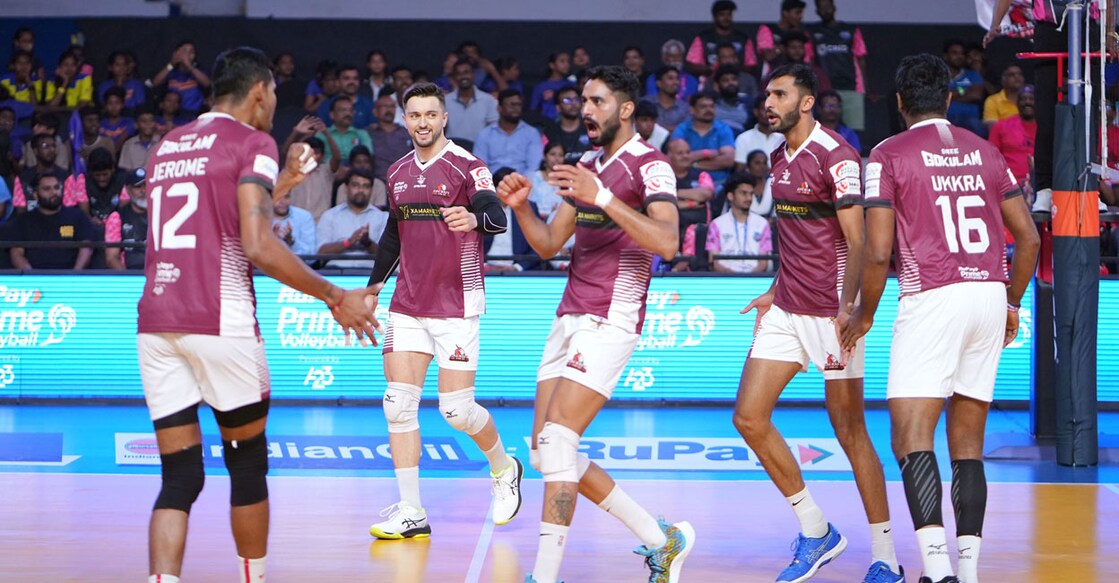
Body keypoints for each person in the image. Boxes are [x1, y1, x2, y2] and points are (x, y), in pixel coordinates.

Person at [136, 46, 377, 583]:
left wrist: (283, 184)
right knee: (246, 463)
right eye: (273, 93)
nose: (275, 104)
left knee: (179, 475)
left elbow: (215, 214)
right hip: (218, 317)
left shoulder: (167, 146)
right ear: (258, 91)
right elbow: (256, 243)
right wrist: (336, 297)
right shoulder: (253, 141)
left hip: (156, 319)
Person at [840, 54, 1040, 583]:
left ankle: (935, 568)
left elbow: (879, 251)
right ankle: (968, 573)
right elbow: (1031, 239)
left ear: (900, 104)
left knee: (911, 436)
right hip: (989, 294)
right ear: (950, 100)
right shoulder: (987, 150)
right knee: (968, 445)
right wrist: (1013, 304)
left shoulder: (886, 154)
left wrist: (863, 313)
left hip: (932, 295)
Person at [496, 65, 694, 583]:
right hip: (569, 314)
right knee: (543, 453)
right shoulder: (585, 162)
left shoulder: (651, 167)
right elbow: (546, 244)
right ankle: (660, 540)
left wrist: (602, 195)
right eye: (583, 100)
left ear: (626, 110)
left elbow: (668, 243)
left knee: (559, 443)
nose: (585, 110)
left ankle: (543, 576)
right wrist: (520, 208)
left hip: (613, 315)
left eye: (598, 101)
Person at [731, 64, 904, 583]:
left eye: (779, 94)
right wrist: (774, 288)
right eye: (767, 93)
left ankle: (885, 557)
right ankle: (815, 529)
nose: (769, 101)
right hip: (786, 308)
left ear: (806, 103)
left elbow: (861, 242)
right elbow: (798, 237)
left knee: (850, 431)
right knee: (748, 418)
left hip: (833, 312)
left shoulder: (838, 157)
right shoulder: (780, 157)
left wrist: (851, 307)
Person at [363, 81, 522, 540]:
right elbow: (394, 234)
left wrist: (474, 219)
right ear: (404, 119)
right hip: (407, 304)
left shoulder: (467, 166)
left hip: (456, 302)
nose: (422, 123)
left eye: (430, 114)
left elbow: (496, 214)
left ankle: (503, 467)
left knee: (456, 411)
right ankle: (412, 510)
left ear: (444, 118)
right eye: (414, 115)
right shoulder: (395, 172)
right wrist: (374, 287)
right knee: (397, 405)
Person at [6, 173, 95, 270]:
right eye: (47, 189)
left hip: (70, 277)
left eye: (56, 187)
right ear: (35, 195)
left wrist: (74, 275)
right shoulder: (23, 221)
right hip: (35, 279)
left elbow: (86, 247)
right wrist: (32, 277)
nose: (54, 192)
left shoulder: (78, 216)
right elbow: (16, 254)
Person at [315, 167, 388, 269]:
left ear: (371, 190)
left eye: (366, 186)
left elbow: (388, 256)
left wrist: (368, 243)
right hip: (336, 274)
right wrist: (347, 243)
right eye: (355, 185)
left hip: (370, 274)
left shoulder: (383, 218)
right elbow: (321, 252)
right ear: (346, 188)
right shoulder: (330, 216)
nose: (360, 190)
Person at [706, 172, 771, 273]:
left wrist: (748, 279)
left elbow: (763, 263)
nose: (749, 198)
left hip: (755, 280)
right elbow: (713, 262)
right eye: (743, 193)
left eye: (751, 194)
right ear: (730, 196)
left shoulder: (762, 224)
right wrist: (734, 278)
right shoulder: (716, 225)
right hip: (725, 280)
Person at [104, 167, 149, 270]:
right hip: (130, 274)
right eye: (138, 187)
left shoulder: (161, 213)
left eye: (147, 186)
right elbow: (111, 258)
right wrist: (130, 280)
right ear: (128, 190)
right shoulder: (116, 217)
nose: (144, 191)